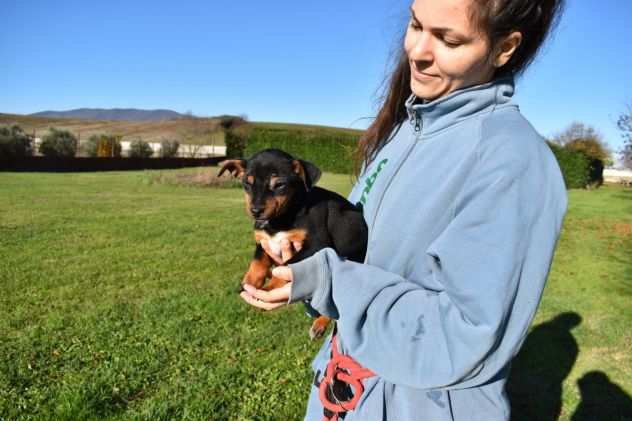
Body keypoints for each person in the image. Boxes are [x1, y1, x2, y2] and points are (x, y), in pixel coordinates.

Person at [239, 0, 567, 419]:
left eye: (448, 39)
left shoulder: (511, 161)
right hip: (345, 394)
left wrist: (329, 281)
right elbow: (360, 259)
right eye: (416, 25)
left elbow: (464, 336)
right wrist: (305, 277)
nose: (417, 51)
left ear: (505, 48)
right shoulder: (404, 133)